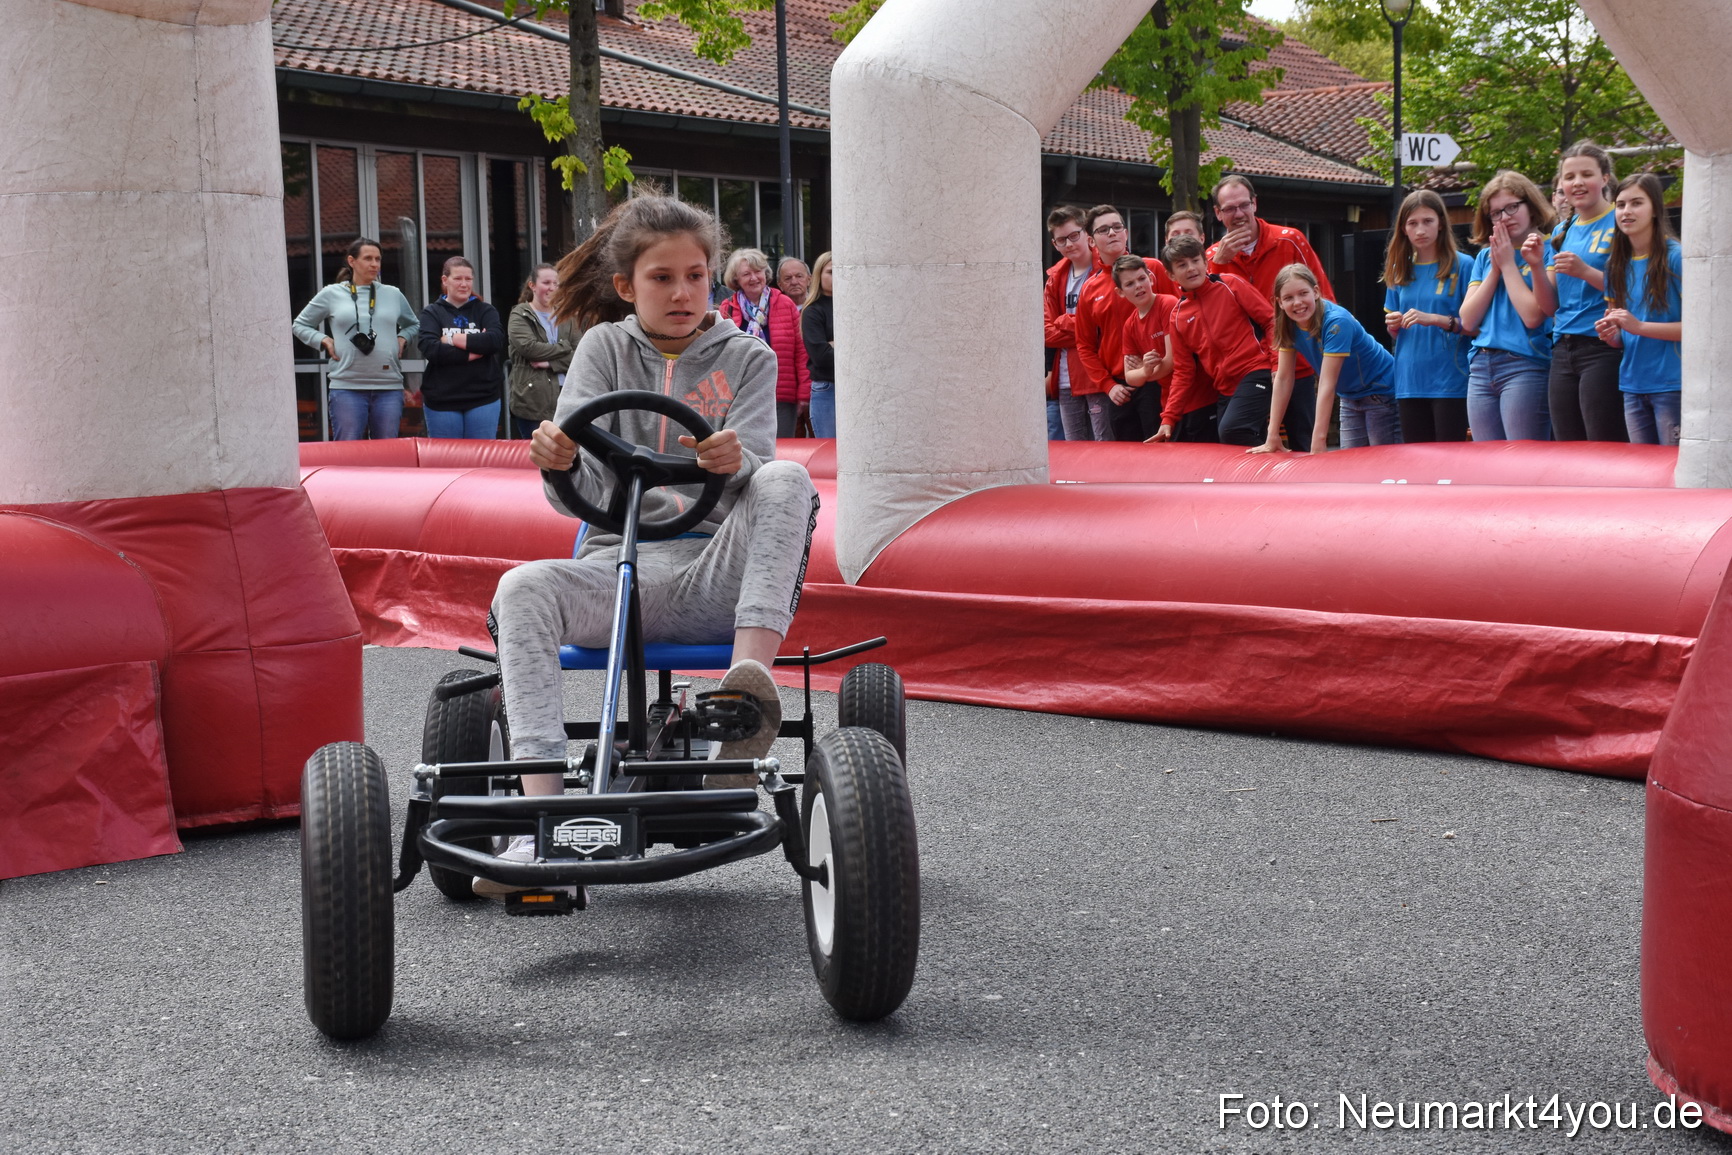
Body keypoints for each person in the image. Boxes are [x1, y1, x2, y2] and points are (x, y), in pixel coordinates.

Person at [480, 191, 820, 897]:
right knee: (520, 585)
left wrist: (738, 465)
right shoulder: (602, 348)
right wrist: (561, 458)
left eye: (695, 275)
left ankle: (743, 694)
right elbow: (570, 495)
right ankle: (538, 816)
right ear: (626, 286)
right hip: (615, 573)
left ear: (713, 277)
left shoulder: (748, 358)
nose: (681, 291)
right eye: (662, 278)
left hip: (711, 575)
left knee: (787, 475)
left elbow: (757, 485)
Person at [1206, 175, 1333, 437]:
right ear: (1218, 214)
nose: (1238, 214)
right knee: (1240, 438)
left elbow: (1323, 296)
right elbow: (1207, 314)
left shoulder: (1289, 239)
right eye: (1229, 209)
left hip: (1295, 360)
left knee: (1303, 441)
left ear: (1255, 204)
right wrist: (1219, 263)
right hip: (1246, 371)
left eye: (1243, 205)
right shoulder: (1211, 257)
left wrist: (1324, 351)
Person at [1151, 234, 1281, 447]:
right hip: (1225, 387)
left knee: (1232, 430)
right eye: (1182, 265)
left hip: (1256, 371)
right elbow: (1183, 371)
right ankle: (1271, 472)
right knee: (1228, 444)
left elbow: (1271, 321)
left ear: (1205, 262)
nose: (1191, 268)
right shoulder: (1177, 317)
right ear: (1171, 274)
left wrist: (1277, 365)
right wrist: (1168, 418)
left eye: (1195, 261)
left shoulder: (1230, 285)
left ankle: (1280, 466)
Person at [1458, 171, 1558, 442]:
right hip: (1480, 366)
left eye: (1512, 207)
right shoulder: (1484, 257)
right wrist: (1495, 268)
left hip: (1525, 364)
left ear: (1531, 206)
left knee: (1523, 459)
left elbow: (1533, 316)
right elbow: (1467, 320)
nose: (1504, 217)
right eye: (1496, 212)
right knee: (1487, 463)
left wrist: (1508, 264)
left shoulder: (1549, 249)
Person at [1257, 264, 1399, 454]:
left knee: (1382, 461)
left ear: (1316, 292)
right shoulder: (1287, 325)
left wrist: (1318, 440)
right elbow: (1283, 378)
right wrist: (1272, 434)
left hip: (1382, 392)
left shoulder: (1336, 322)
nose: (1297, 302)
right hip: (1350, 397)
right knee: (1351, 464)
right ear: (1279, 302)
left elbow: (1326, 383)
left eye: (1303, 293)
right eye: (1289, 298)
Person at [292, 237, 419, 440]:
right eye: (368, 258)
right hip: (346, 388)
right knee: (347, 455)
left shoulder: (393, 294)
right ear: (352, 261)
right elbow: (300, 325)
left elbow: (413, 324)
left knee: (387, 456)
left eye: (378, 259)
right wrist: (324, 340)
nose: (374, 264)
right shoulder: (331, 293)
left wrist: (403, 338)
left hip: (388, 388)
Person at [1074, 203, 1179, 441]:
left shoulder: (1151, 269)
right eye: (1103, 230)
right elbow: (1084, 345)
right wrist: (1108, 385)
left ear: (1126, 232)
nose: (1112, 233)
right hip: (1121, 387)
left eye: (1116, 227)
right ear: (1091, 241)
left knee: (1163, 453)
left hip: (1162, 380)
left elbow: (1180, 315)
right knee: (1127, 456)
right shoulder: (1089, 289)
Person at [1545, 140, 1626, 441]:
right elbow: (1549, 305)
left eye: (1586, 174)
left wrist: (1586, 272)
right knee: (1567, 448)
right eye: (1569, 177)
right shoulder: (1561, 231)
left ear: (1604, 178)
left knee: (1604, 444)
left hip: (1603, 345)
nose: (1577, 183)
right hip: (1563, 347)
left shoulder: (1621, 220)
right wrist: (1534, 267)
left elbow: (1636, 288)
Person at [1596, 173, 1683, 445]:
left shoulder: (1678, 257)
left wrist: (1639, 327)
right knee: (1645, 475)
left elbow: (1702, 329)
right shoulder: (1615, 265)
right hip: (1632, 386)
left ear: (1655, 209)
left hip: (1673, 385)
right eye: (1620, 205)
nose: (1626, 211)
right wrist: (1611, 334)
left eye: (1636, 203)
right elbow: (1620, 335)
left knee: (1674, 470)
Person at [1382, 189, 1473, 443]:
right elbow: (1394, 331)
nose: (1420, 230)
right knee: (1416, 461)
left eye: (1427, 221)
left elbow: (1477, 326)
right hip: (1409, 378)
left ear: (1441, 223)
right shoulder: (1398, 269)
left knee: (1449, 460)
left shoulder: (1464, 265)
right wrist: (1393, 324)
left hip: (1450, 378)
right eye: (1413, 223)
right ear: (1403, 229)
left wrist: (1434, 318)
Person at [717, 247, 811, 437]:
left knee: (781, 450)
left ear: (765, 273)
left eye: (758, 271)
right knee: (744, 448)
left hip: (781, 395)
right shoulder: (727, 308)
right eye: (746, 274)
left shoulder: (785, 304)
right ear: (736, 279)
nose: (753, 278)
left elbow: (801, 352)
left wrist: (804, 394)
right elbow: (718, 355)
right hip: (740, 396)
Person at [416, 257, 506, 439]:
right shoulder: (432, 313)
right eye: (458, 279)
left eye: (468, 279)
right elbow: (431, 349)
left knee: (482, 461)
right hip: (442, 401)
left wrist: (450, 338)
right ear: (444, 280)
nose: (464, 284)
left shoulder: (485, 311)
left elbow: (494, 341)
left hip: (483, 398)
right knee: (447, 463)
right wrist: (472, 351)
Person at [1044, 206, 1104, 440]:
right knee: (1074, 448)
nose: (1069, 244)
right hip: (1066, 378)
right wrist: (1085, 328)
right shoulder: (1054, 279)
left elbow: (1104, 326)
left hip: (1099, 374)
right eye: (1061, 240)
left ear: (1086, 233)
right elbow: (1047, 333)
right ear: (1054, 244)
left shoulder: (1106, 268)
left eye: (1073, 236)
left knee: (1103, 444)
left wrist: (1064, 322)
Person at [507, 263, 580, 439]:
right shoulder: (520, 314)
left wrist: (550, 363)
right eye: (546, 283)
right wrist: (564, 347)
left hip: (567, 399)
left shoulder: (567, 315)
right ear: (532, 285)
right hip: (533, 403)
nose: (552, 288)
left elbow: (580, 354)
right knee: (537, 460)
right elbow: (529, 348)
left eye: (556, 284)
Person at [1112, 255, 1176, 416]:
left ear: (1151, 279)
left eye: (1142, 279)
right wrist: (1146, 369)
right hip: (1167, 399)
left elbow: (1171, 361)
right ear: (1120, 292)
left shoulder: (1168, 304)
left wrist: (1144, 372)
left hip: (1192, 394)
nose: (1138, 286)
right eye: (1130, 284)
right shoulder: (1130, 325)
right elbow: (1130, 378)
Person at [800, 251, 836, 438]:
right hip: (827, 388)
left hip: (857, 386)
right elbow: (821, 356)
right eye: (831, 271)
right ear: (818, 276)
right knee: (830, 451)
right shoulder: (813, 311)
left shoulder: (855, 306)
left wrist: (835, 345)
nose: (837, 276)